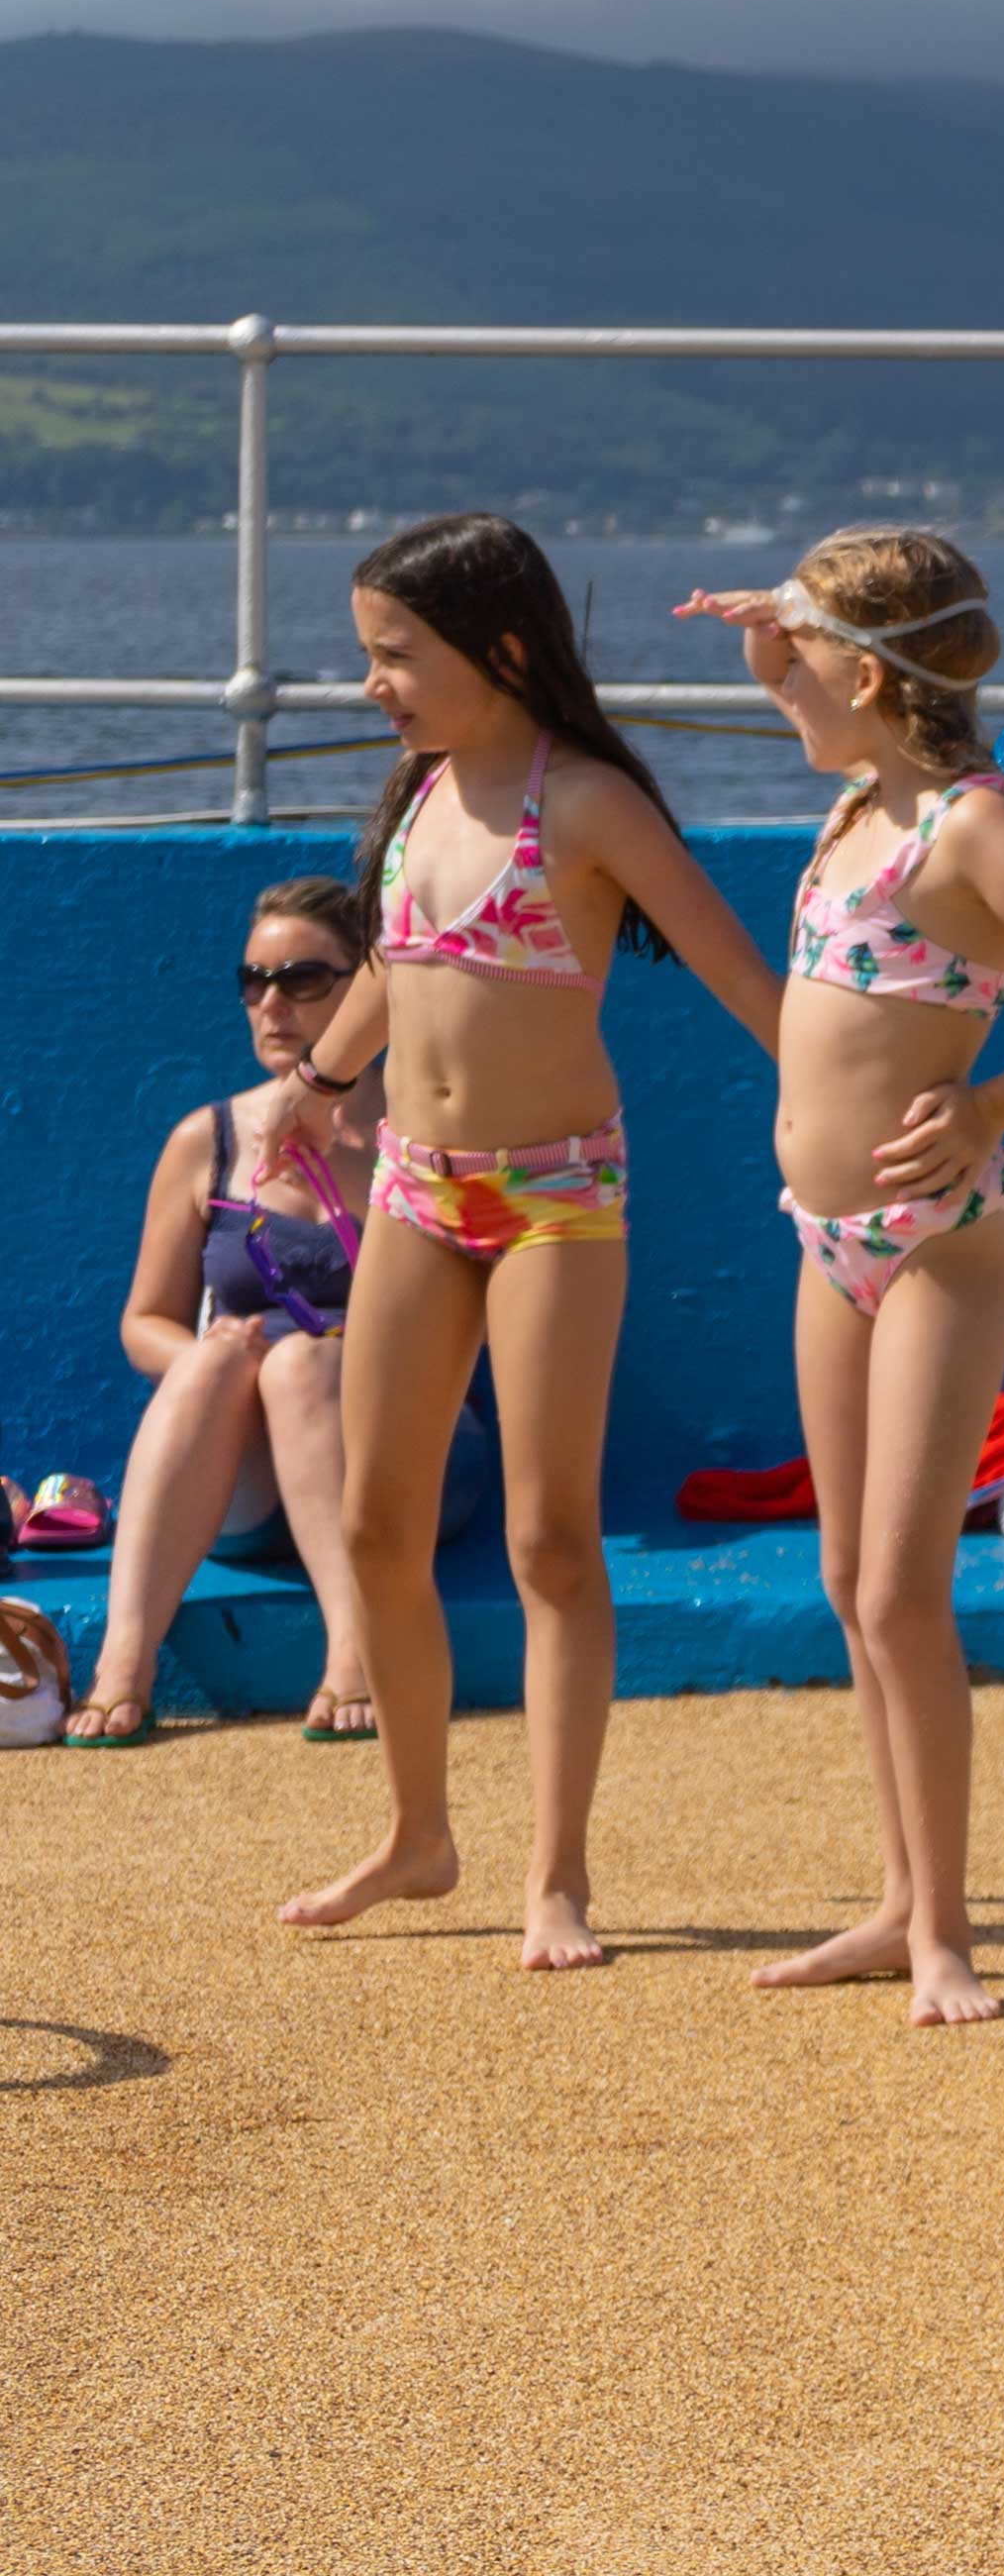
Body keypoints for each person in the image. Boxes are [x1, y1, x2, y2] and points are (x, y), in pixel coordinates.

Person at [282, 512, 781, 1966]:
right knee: (377, 1521)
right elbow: (394, 963)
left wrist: (851, 1110)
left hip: (559, 1196)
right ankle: (418, 1836)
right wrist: (314, 1091)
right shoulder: (426, 788)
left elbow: (740, 979)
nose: (372, 681)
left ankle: (555, 1873)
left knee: (550, 1537)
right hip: (415, 1191)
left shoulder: (589, 805)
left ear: (499, 649)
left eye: (395, 655)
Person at [673, 529, 1004, 2028]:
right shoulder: (857, 798)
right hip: (824, 1241)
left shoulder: (968, 827)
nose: (779, 679)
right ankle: (897, 1900)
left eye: (804, 655)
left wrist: (984, 1106)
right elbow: (802, 683)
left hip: (944, 1237)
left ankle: (944, 1928)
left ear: (874, 674)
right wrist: (782, 626)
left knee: (901, 1588)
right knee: (847, 1581)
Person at [65, 878, 390, 1746]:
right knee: (223, 1356)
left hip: (402, 1457)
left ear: (368, 985)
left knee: (305, 1361)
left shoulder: (422, 1131)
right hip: (243, 1479)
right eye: (254, 981)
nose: (272, 1002)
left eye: (303, 979)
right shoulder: (205, 1140)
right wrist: (224, 1361)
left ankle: (357, 1651)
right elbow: (144, 1322)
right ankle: (124, 1663)